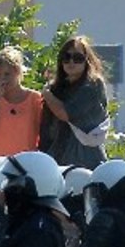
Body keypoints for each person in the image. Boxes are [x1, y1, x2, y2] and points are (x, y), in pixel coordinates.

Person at [39, 36, 110, 168]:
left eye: (77, 58)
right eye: (66, 58)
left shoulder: (93, 85)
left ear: (87, 61)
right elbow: (46, 129)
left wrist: (47, 94)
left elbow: (65, 113)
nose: (71, 62)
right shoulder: (57, 89)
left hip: (87, 157)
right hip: (57, 158)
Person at [0, 46, 43, 157]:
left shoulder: (35, 98)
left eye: (7, 74)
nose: (2, 79)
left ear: (18, 72)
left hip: (26, 160)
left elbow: (42, 133)